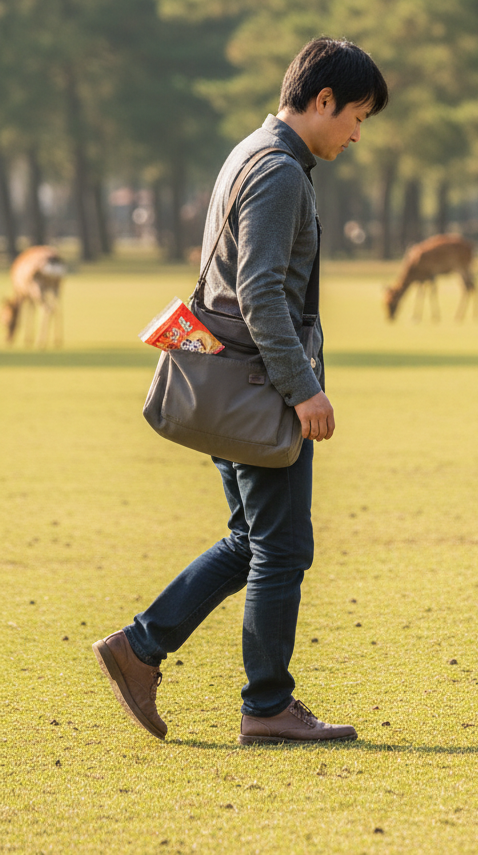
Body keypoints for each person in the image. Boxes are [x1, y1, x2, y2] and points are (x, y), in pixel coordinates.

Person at [93, 37, 388, 745]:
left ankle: (140, 647)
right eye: (357, 116)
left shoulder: (249, 152)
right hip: (258, 385)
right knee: (282, 549)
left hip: (229, 378)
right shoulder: (281, 170)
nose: (357, 133)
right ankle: (267, 705)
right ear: (322, 102)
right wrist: (303, 390)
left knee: (252, 539)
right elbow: (258, 290)